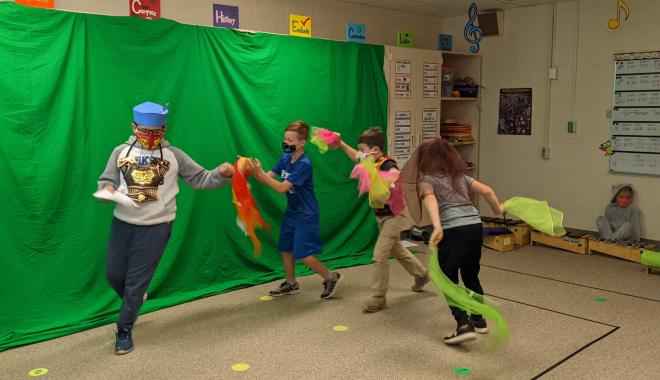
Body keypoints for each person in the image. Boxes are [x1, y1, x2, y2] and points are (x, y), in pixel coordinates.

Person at [97, 101, 234, 354]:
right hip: (123, 224)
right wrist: (106, 189)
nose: (150, 137)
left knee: (136, 283)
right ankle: (136, 297)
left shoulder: (174, 156)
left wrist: (223, 173)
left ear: (164, 129)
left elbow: (201, 178)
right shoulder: (120, 152)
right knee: (114, 275)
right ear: (134, 127)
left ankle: (124, 328)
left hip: (156, 228)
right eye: (145, 132)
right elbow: (107, 179)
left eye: (156, 132)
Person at [414, 138, 505, 345]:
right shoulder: (461, 177)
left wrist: (436, 226)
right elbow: (488, 191)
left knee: (447, 279)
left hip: (453, 230)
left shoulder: (427, 180)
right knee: (471, 275)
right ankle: (479, 320)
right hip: (474, 227)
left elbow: (430, 198)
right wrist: (497, 210)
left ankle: (463, 325)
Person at [336, 127, 429, 312]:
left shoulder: (385, 164)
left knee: (379, 255)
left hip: (394, 216)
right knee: (397, 249)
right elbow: (356, 157)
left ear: (375, 150)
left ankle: (379, 297)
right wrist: (340, 143)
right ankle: (422, 274)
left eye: (363, 149)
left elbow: (396, 174)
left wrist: (385, 179)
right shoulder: (370, 159)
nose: (361, 154)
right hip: (381, 216)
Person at [251, 121, 342, 299]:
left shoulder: (304, 164)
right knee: (286, 248)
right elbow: (266, 179)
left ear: (301, 142)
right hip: (292, 212)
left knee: (303, 254)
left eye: (290, 140)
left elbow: (281, 188)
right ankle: (291, 283)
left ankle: (331, 277)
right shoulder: (284, 159)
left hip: (306, 214)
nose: (286, 142)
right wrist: (255, 170)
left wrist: (260, 174)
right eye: (285, 138)